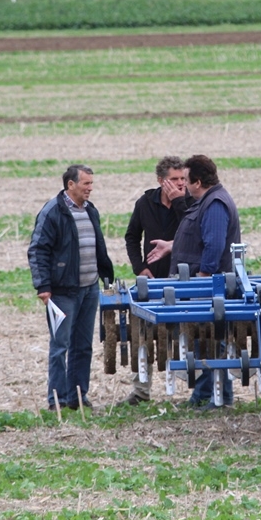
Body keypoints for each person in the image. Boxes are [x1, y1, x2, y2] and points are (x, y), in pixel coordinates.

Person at [145, 154, 241, 409]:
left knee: (210, 339)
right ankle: (205, 394)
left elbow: (215, 244)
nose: (183, 185)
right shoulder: (206, 202)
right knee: (203, 340)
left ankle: (216, 397)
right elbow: (201, 236)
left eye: (186, 179)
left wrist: (202, 278)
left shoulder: (216, 204)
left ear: (197, 181)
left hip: (208, 286)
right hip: (201, 284)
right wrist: (172, 245)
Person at [28, 164, 114, 411]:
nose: (90, 188)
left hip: (89, 289)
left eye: (91, 183)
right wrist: (43, 286)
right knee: (60, 347)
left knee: (83, 345)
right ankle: (57, 400)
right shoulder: (53, 211)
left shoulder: (90, 210)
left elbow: (97, 246)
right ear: (71, 185)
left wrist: (105, 275)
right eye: (86, 183)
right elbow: (37, 250)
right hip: (62, 292)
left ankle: (78, 396)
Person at [119, 156, 188, 406]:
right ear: (161, 180)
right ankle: (140, 391)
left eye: (183, 179)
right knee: (143, 334)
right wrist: (141, 268)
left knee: (188, 333)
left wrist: (180, 202)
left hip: (184, 280)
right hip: (152, 280)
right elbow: (131, 237)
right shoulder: (146, 203)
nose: (180, 184)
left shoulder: (190, 202)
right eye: (174, 179)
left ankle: (199, 388)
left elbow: (193, 230)